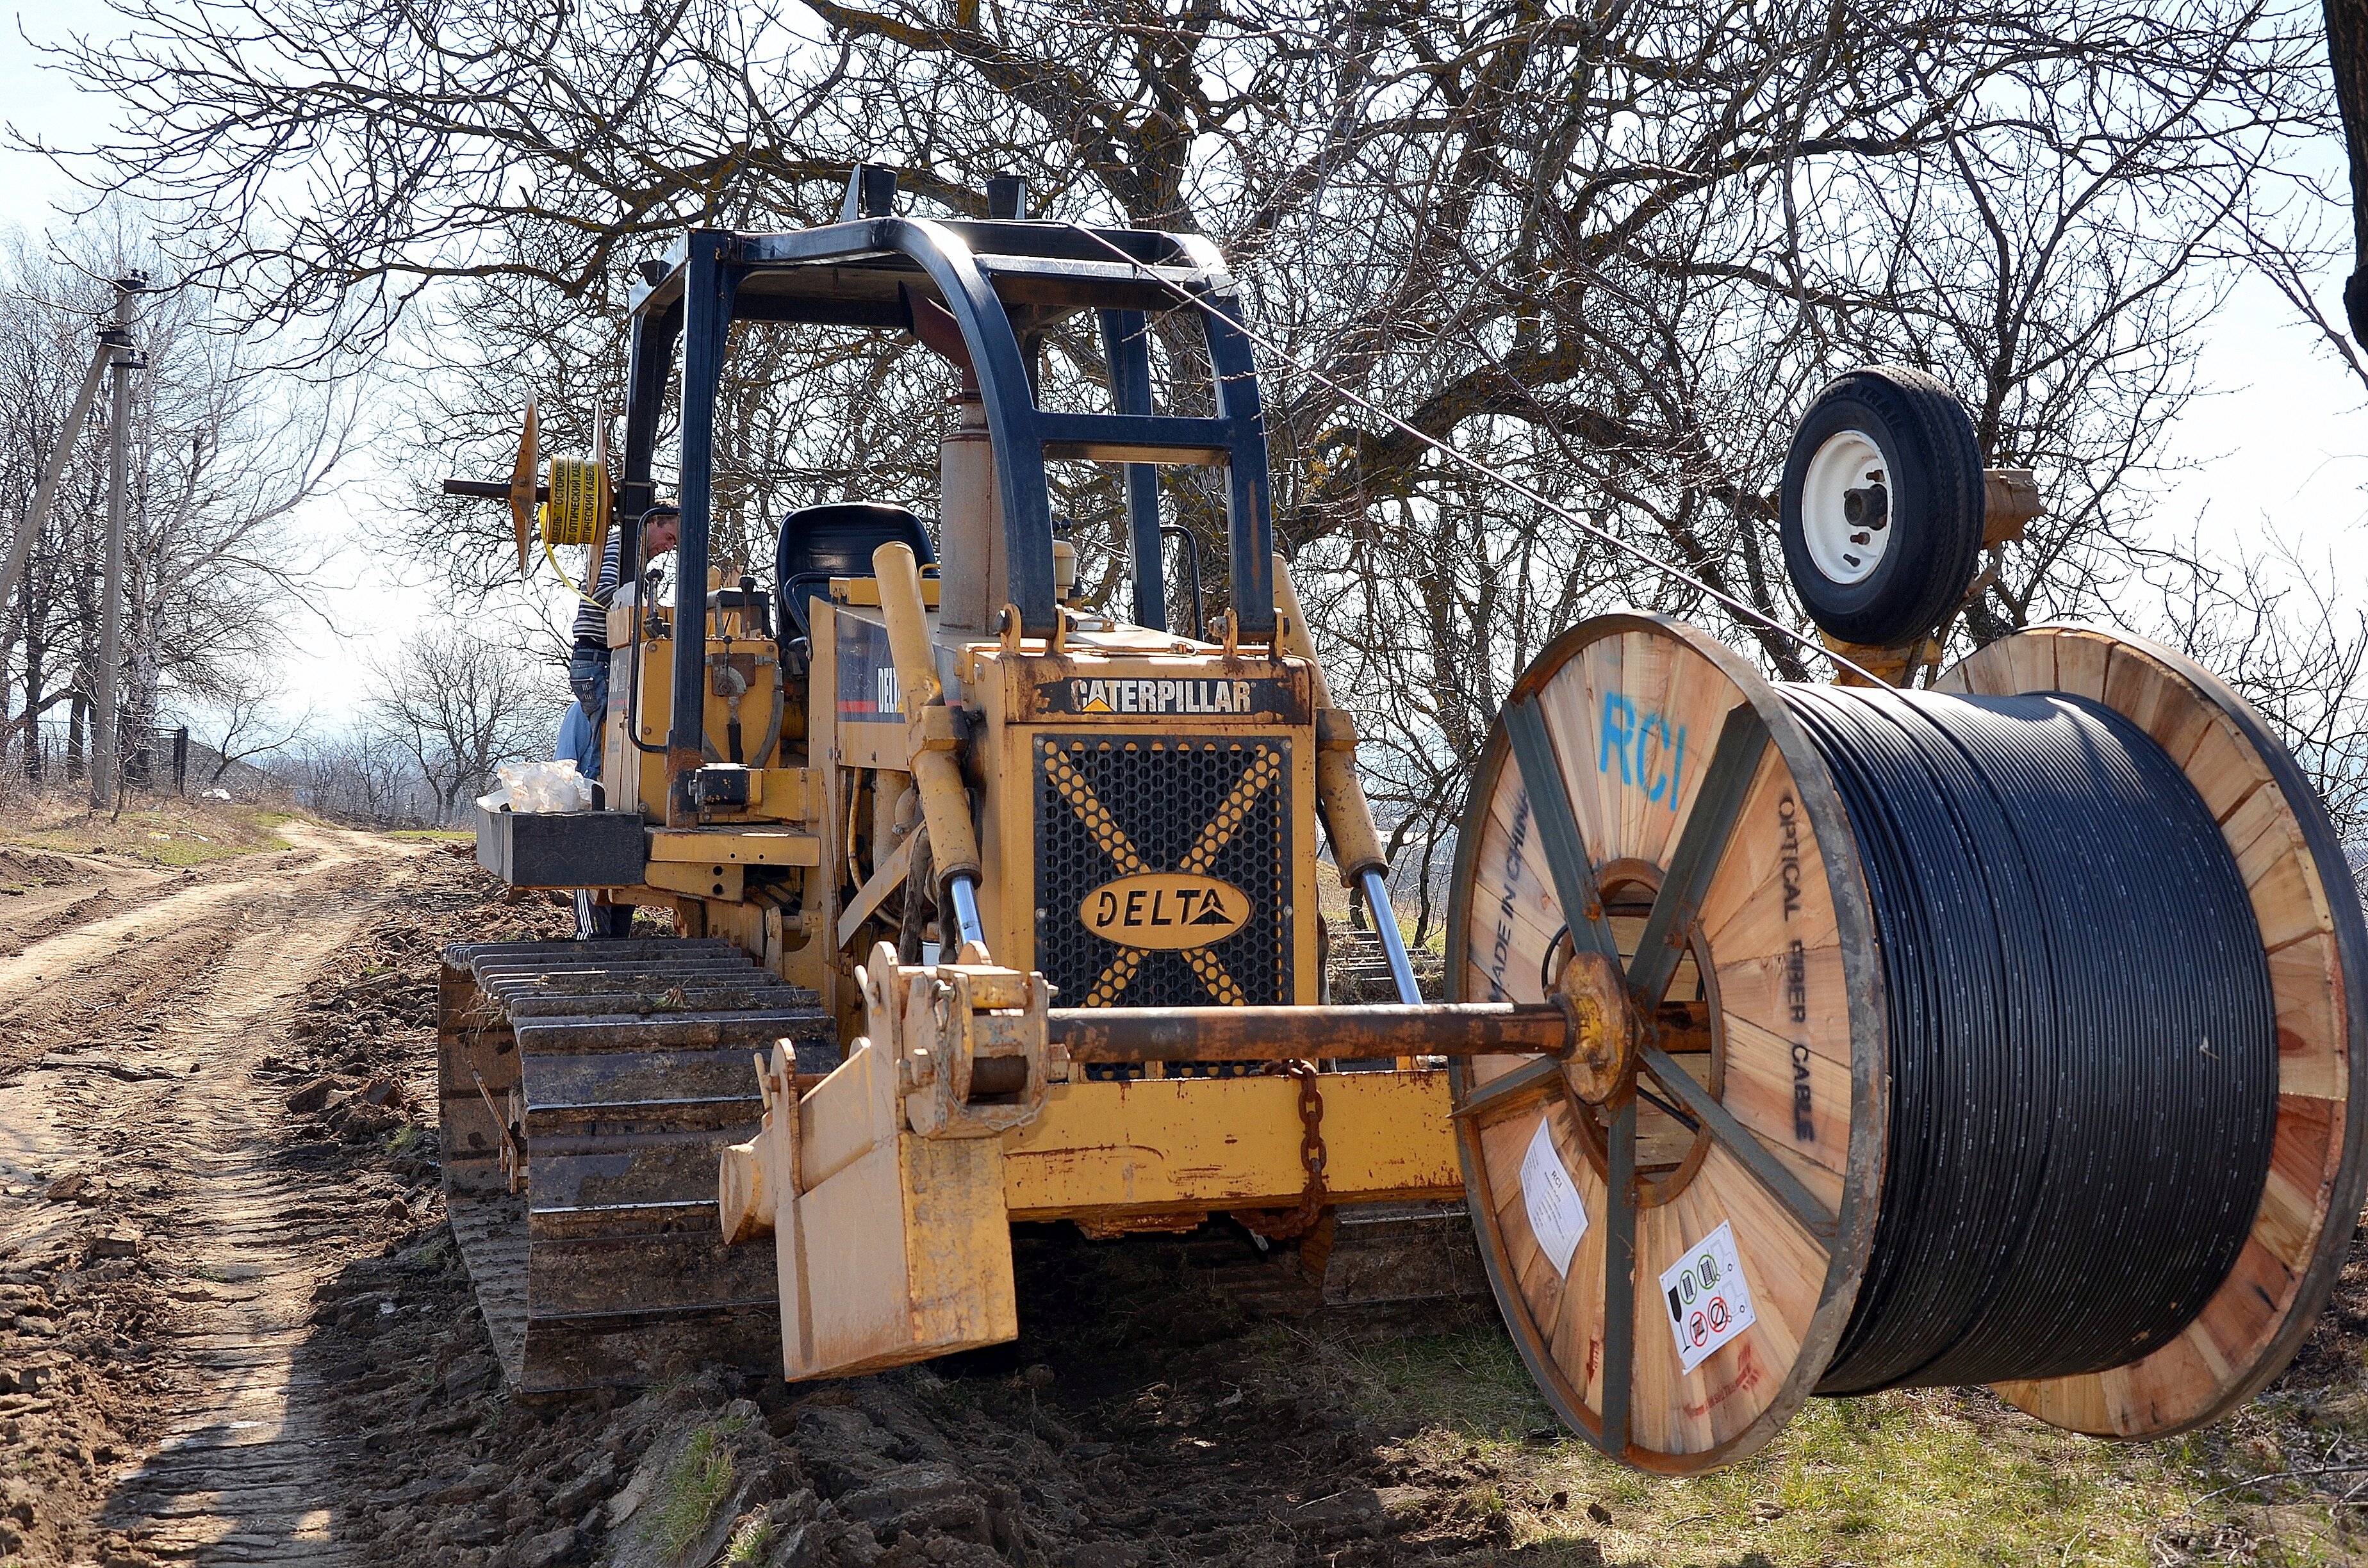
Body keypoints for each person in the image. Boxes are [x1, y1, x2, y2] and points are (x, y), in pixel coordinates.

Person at [565, 504, 680, 783]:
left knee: (609, 742)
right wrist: (640, 612)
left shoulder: (633, 555)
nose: (668, 547)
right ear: (652, 521)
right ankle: (598, 805)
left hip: (600, 659)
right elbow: (602, 593)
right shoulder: (622, 546)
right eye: (669, 537)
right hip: (598, 659)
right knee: (605, 748)